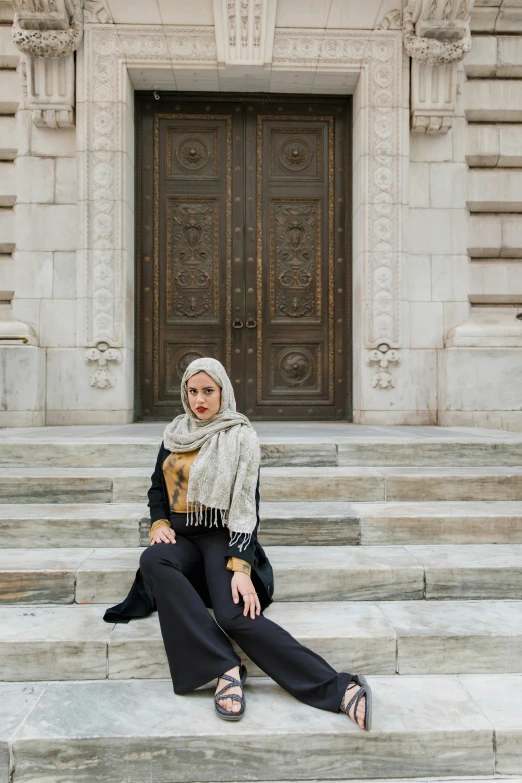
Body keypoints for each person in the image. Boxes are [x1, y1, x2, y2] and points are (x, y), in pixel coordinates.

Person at [104, 357, 371, 729]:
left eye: (207, 391)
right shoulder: (175, 433)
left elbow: (247, 506)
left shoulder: (240, 436)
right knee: (153, 560)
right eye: (193, 391)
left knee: (236, 616)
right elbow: (156, 489)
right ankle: (225, 667)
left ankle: (338, 688)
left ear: (223, 392)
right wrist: (159, 523)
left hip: (221, 535)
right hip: (181, 537)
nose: (199, 399)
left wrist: (241, 566)